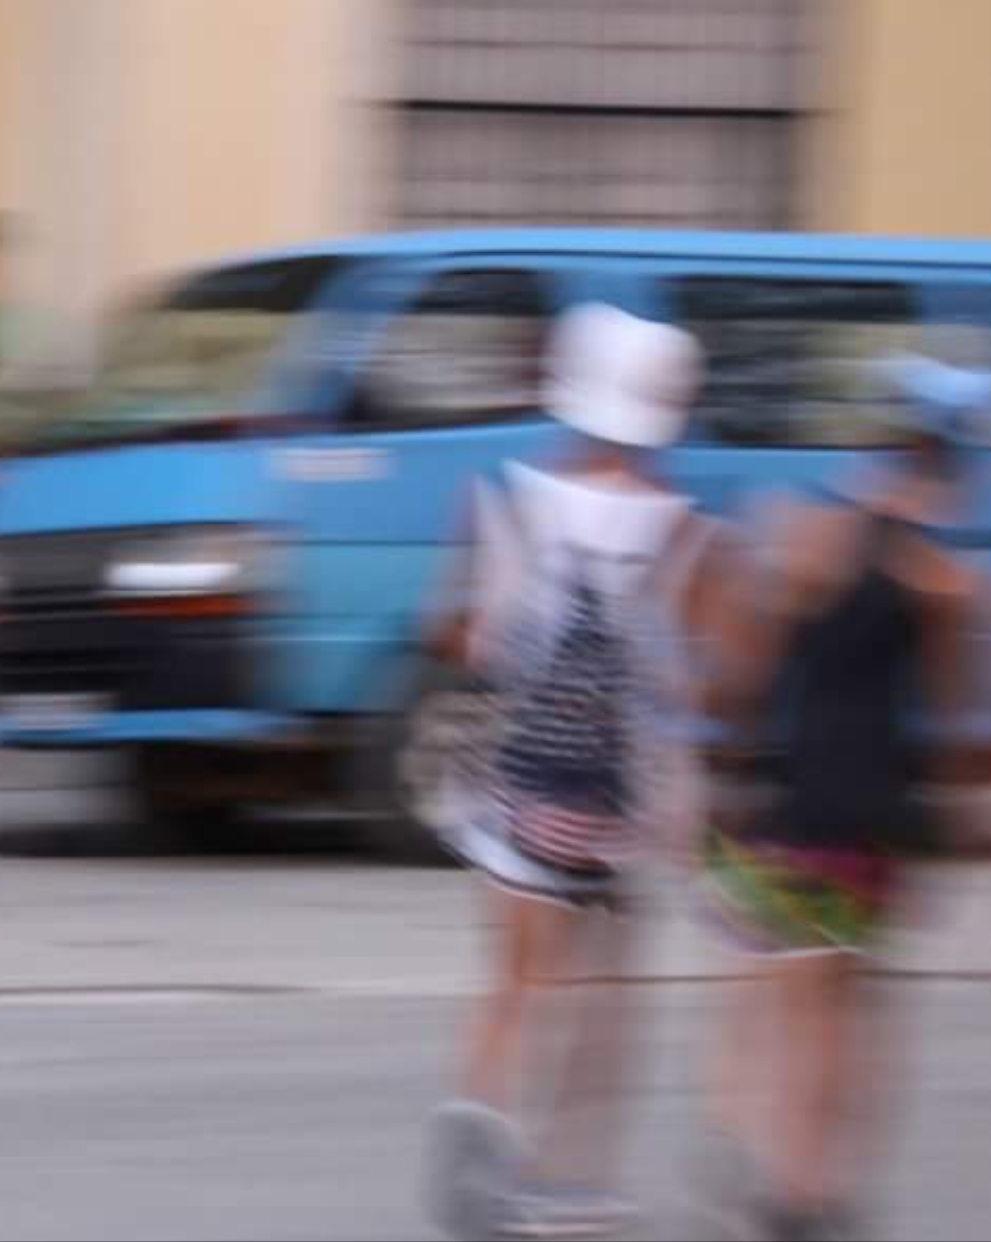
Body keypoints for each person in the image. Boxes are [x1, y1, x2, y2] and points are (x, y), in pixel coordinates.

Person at [421, 304, 731, 1240]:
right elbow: (692, 679)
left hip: (512, 787)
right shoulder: (684, 530)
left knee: (512, 986)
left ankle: (479, 1123)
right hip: (613, 800)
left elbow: (467, 644)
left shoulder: (505, 498)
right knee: (605, 996)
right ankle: (570, 1176)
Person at [695, 359, 991, 1241]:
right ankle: (815, 1190)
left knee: (767, 985)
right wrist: (954, 813)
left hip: (787, 807)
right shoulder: (953, 585)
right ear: (952, 461)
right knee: (853, 1008)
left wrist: (722, 773)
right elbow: (954, 728)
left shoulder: (798, 533)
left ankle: (746, 1146)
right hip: (876, 821)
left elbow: (741, 682)